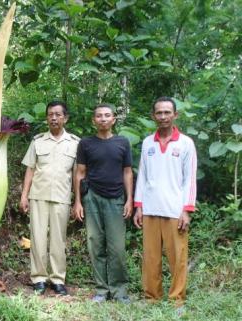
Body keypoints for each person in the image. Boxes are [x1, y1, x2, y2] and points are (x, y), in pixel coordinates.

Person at [133, 97, 197, 309]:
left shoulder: (186, 143)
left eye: (167, 112)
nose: (163, 117)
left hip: (175, 211)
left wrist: (187, 210)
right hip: (150, 208)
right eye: (159, 113)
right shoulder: (147, 143)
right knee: (151, 258)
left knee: (177, 258)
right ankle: (152, 297)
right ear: (153, 116)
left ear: (175, 115)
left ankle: (177, 300)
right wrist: (138, 206)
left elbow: (190, 179)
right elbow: (142, 175)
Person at [72, 103, 133, 304]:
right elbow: (80, 172)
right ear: (94, 120)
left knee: (116, 247)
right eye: (99, 116)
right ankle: (101, 290)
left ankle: (119, 291)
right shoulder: (86, 143)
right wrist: (78, 202)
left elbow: (127, 172)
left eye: (107, 115)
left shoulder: (123, 143)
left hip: (116, 198)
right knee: (95, 244)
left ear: (114, 119)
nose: (103, 119)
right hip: (92, 198)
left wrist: (129, 200)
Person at [20, 101, 79, 296]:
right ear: (47, 118)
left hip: (62, 197)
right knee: (37, 238)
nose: (53, 118)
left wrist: (77, 200)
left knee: (58, 239)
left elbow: (77, 174)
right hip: (38, 195)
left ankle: (57, 279)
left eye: (57, 114)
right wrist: (24, 196)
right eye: (50, 115)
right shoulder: (37, 141)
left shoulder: (75, 143)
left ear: (65, 118)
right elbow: (30, 169)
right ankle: (38, 278)